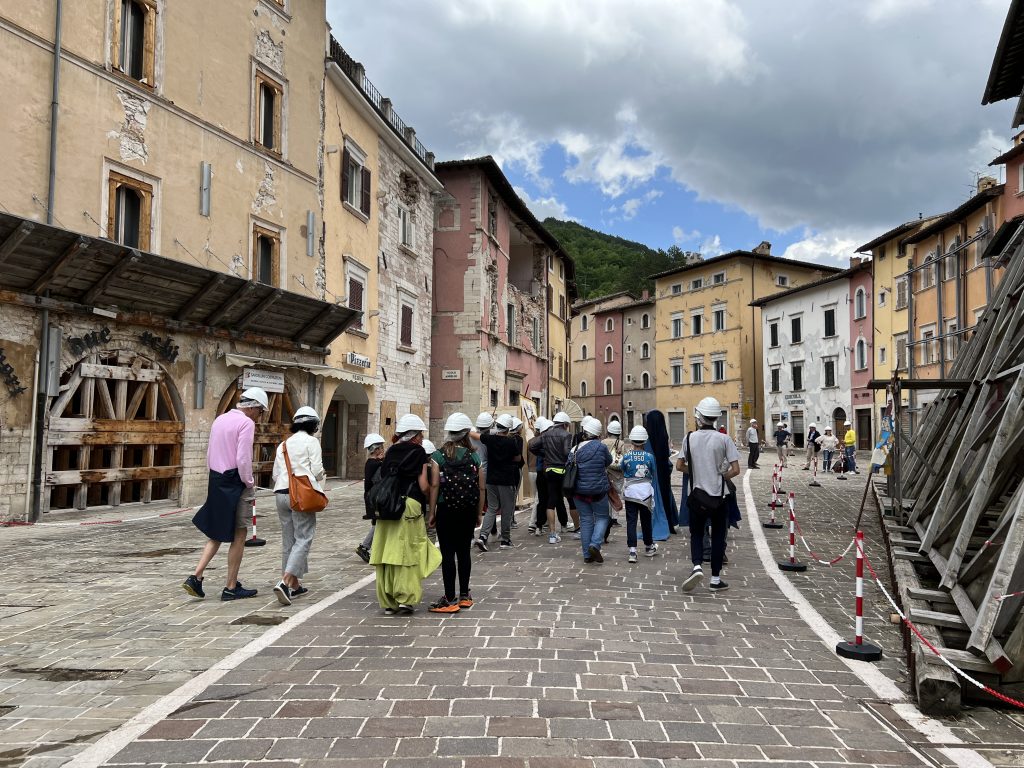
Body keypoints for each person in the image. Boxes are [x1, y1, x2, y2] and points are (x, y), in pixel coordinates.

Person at [183, 387, 267, 601]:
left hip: (216, 477)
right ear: (253, 407)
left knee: (217, 532)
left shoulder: (220, 419)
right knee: (240, 533)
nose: (260, 416)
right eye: (261, 412)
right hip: (235, 481)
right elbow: (243, 458)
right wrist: (249, 481)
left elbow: (210, 451)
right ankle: (230, 586)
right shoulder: (246, 423)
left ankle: (196, 575)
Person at [370, 413, 441, 615]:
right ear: (414, 436)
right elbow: (423, 484)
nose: (421, 438)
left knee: (386, 551)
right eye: (419, 434)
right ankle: (406, 597)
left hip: (387, 506)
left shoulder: (390, 451)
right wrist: (430, 498)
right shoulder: (418, 452)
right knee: (408, 551)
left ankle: (388, 601)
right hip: (409, 504)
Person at [679, 397, 741, 592]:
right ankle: (715, 579)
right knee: (718, 536)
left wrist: (697, 471)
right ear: (715, 418)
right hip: (720, 497)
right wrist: (721, 476)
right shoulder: (724, 439)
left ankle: (697, 566)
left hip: (698, 495)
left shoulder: (689, 438)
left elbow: (679, 465)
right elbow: (736, 469)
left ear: (699, 417)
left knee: (696, 533)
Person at [427, 413, 483, 614]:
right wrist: (478, 513)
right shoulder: (474, 456)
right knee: (464, 552)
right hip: (468, 510)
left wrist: (432, 512)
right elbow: (481, 487)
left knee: (448, 554)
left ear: (449, 432)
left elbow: (434, 485)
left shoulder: (438, 455)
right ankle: (465, 596)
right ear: (467, 433)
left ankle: (450, 598)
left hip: (446, 509)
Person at [271, 406, 326, 606]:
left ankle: (295, 585)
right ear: (314, 425)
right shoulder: (312, 442)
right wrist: (318, 478)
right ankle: (285, 582)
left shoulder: (283, 444)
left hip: (281, 493)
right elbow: (317, 470)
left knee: (288, 539)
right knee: (304, 537)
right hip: (301, 494)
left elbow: (276, 474)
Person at [571, 416, 613, 563]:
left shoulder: (574, 449)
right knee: (602, 517)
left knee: (586, 520)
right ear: (598, 434)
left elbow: (568, 465)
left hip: (578, 491)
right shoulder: (602, 447)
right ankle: (595, 544)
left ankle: (587, 555)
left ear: (584, 432)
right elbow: (609, 461)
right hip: (598, 490)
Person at [477, 414, 522, 550]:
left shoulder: (489, 439)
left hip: (491, 479)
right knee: (507, 510)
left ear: (496, 427)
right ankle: (505, 540)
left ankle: (483, 536)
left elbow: (476, 434)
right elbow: (518, 458)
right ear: (508, 429)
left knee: (491, 508)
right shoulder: (511, 442)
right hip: (506, 480)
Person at [535, 411, 575, 544]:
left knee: (551, 501)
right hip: (563, 470)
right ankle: (577, 529)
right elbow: (566, 452)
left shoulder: (546, 434)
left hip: (549, 470)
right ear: (564, 424)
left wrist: (544, 453)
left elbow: (531, 445)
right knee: (570, 498)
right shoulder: (567, 435)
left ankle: (552, 534)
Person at [620, 426, 658, 562]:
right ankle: (648, 547)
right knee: (646, 520)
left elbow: (621, 468)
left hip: (631, 491)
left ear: (631, 441)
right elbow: (653, 472)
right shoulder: (649, 457)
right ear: (644, 441)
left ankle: (632, 551)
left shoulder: (626, 456)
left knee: (631, 521)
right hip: (645, 492)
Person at [643, 410, 677, 540]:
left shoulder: (647, 441)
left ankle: (656, 523)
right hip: (663, 474)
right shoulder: (664, 437)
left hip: (651, 477)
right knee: (665, 495)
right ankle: (669, 522)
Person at [355, 433, 386, 563]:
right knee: (378, 522)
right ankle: (365, 547)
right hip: (375, 497)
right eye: (381, 447)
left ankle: (367, 547)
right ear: (376, 449)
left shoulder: (372, 462)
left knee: (377, 522)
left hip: (371, 496)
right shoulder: (374, 464)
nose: (383, 449)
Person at [527, 417, 552, 536]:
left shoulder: (538, 441)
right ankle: (539, 524)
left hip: (540, 472)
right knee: (546, 500)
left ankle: (539, 525)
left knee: (541, 500)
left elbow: (532, 447)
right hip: (546, 472)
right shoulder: (549, 441)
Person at [602, 420, 625, 532]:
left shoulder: (603, 442)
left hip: (605, 471)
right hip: (617, 474)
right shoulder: (621, 443)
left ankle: (607, 515)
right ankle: (615, 519)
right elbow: (624, 459)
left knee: (607, 495)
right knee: (616, 494)